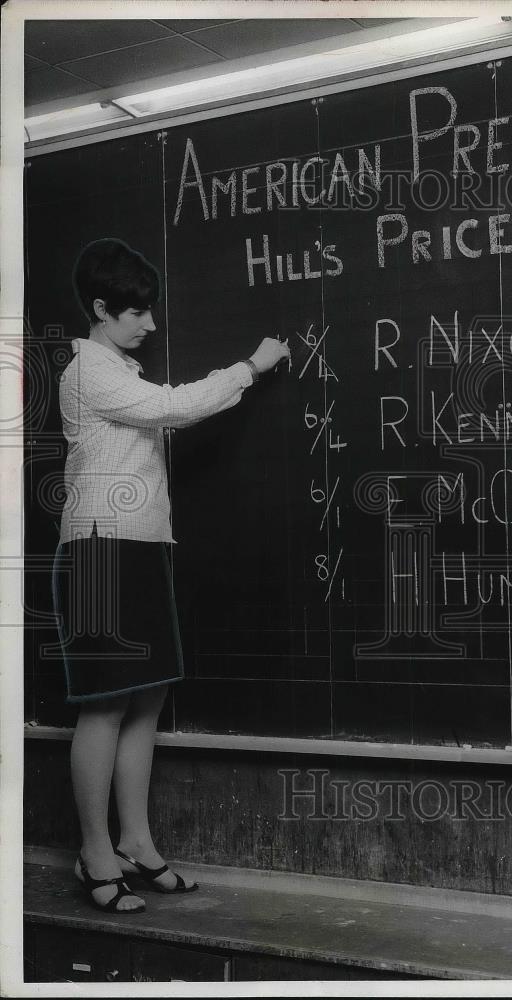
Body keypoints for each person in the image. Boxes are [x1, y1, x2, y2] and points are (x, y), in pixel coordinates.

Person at [51, 238, 290, 913]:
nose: (150, 325)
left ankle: (136, 845)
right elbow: (173, 408)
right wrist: (251, 365)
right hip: (101, 551)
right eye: (138, 314)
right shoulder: (90, 372)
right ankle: (93, 853)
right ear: (102, 309)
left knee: (145, 699)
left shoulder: (115, 367)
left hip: (141, 543)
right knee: (104, 703)